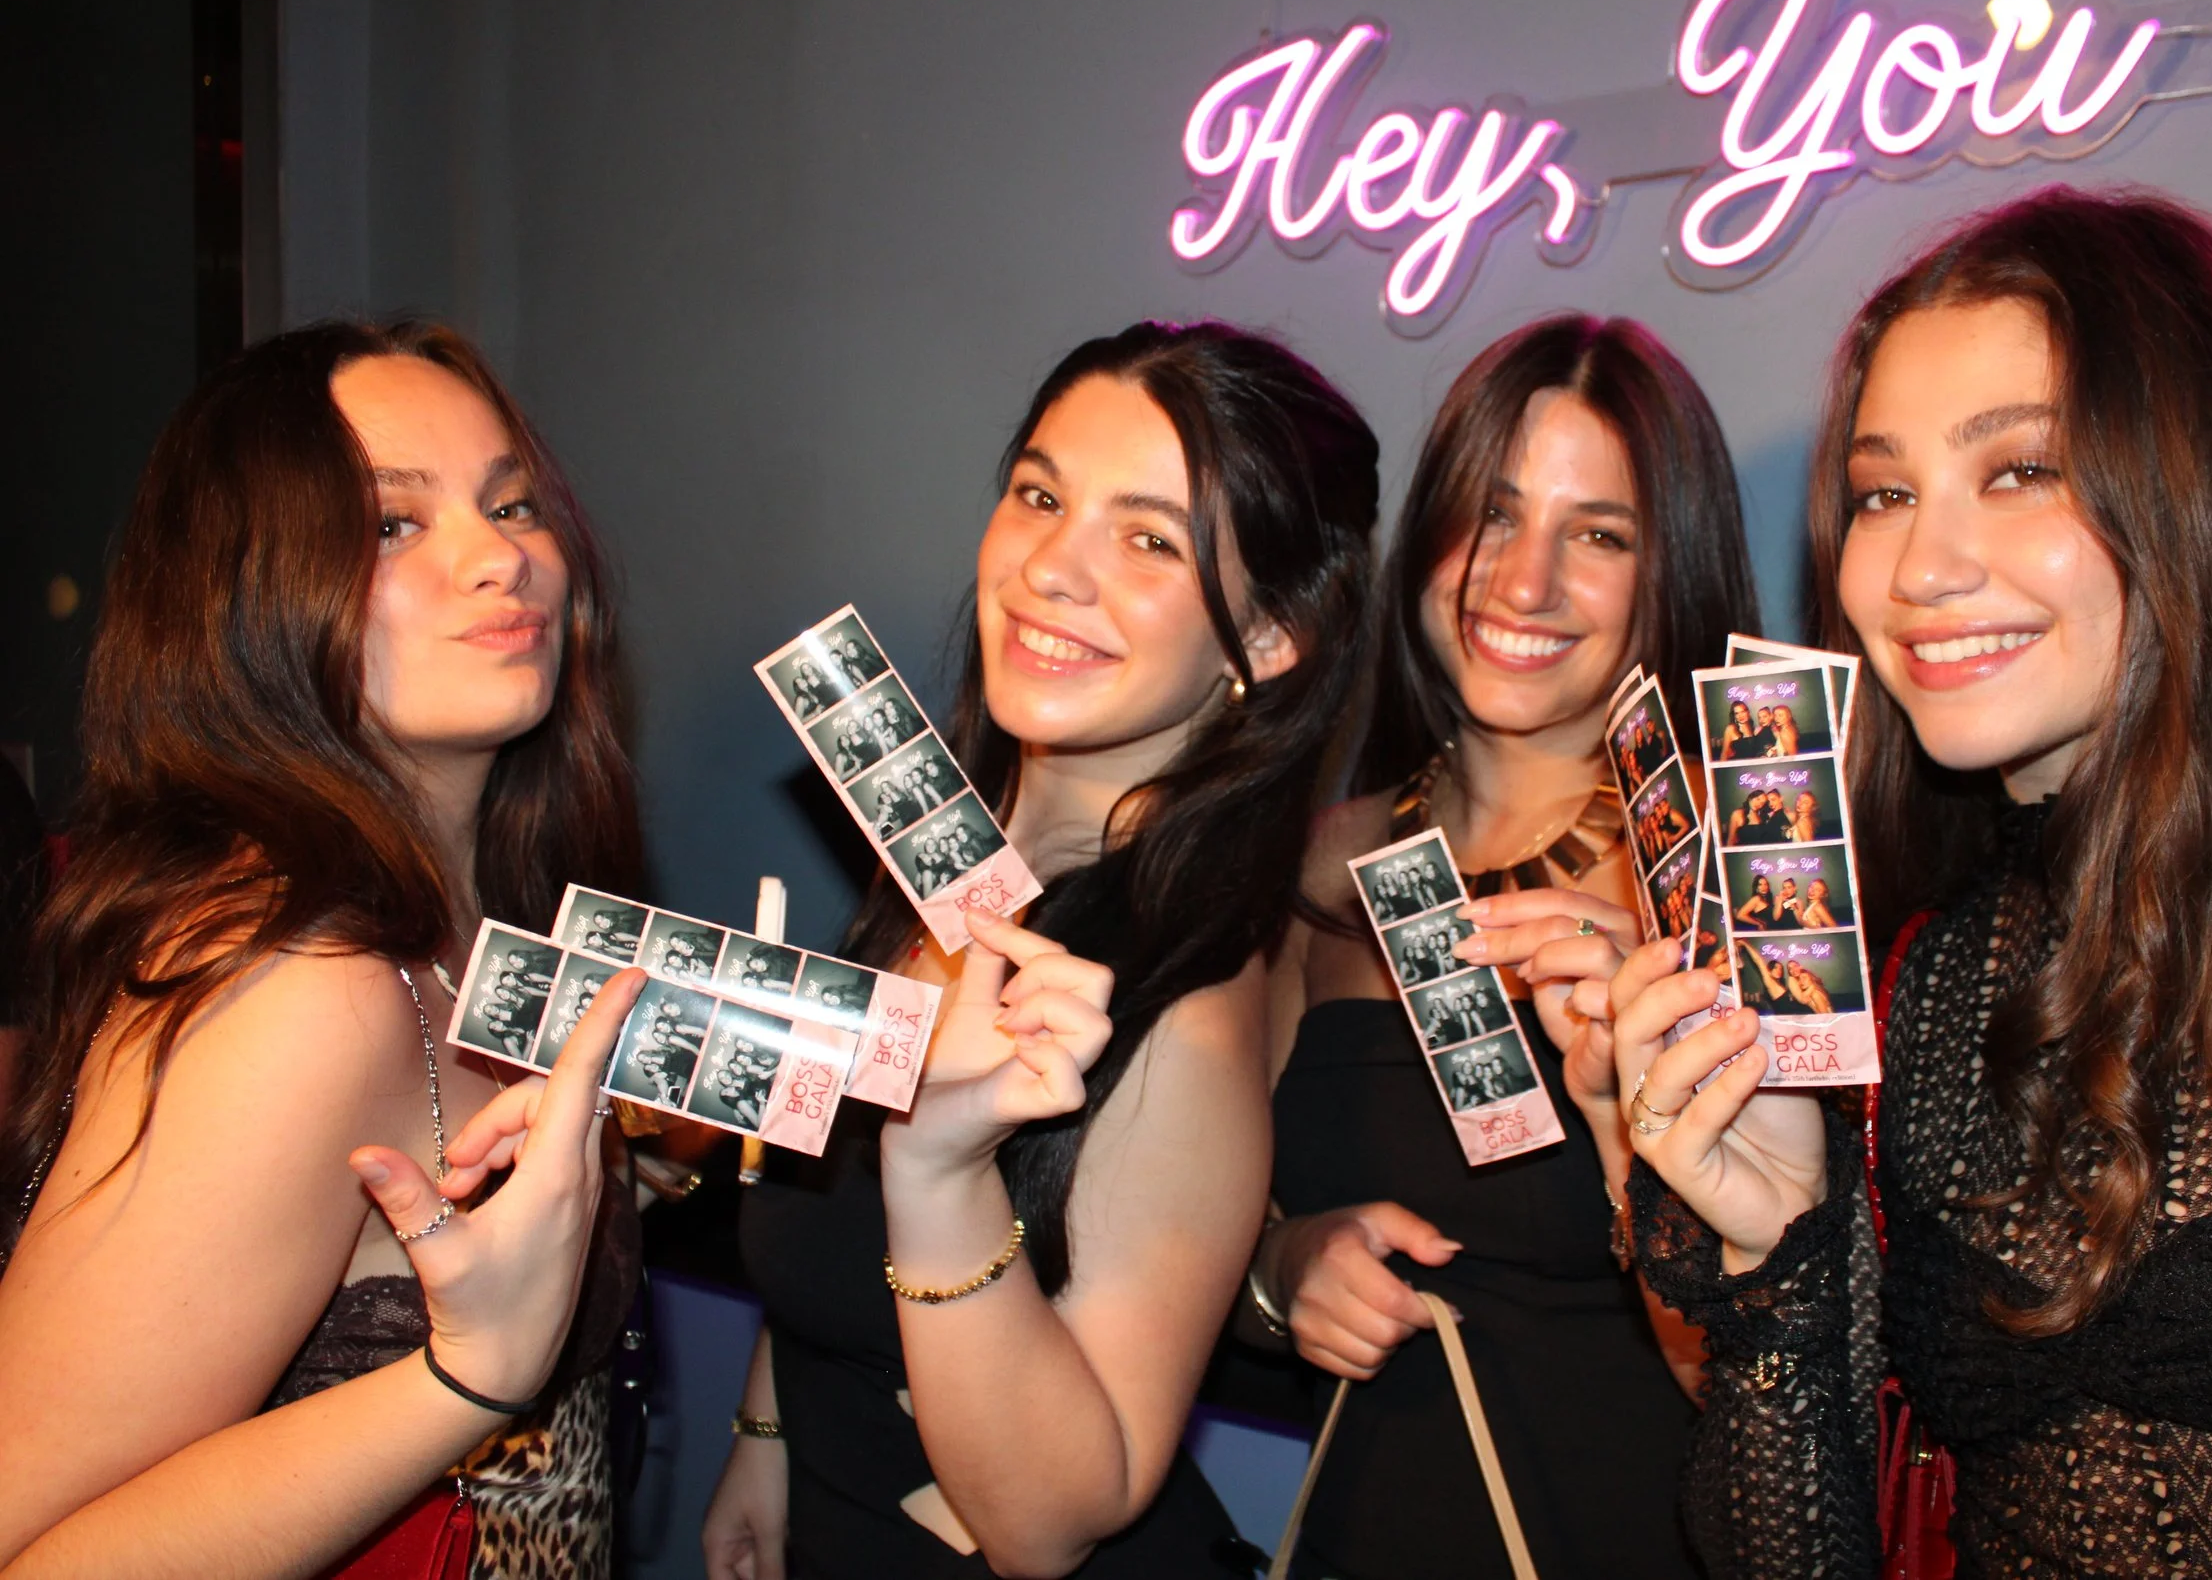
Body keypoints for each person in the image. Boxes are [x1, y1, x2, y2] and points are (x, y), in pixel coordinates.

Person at [1609, 187, 2212, 1574]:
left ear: (2205, 480)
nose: (1922, 567)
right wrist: (1773, 1241)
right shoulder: (1920, 981)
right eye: (1884, 493)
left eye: (2022, 468)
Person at [704, 321, 1379, 1579]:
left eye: (1150, 539)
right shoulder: (939, 864)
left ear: (1269, 636)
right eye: (1039, 494)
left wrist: (940, 1173)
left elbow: (1055, 1517)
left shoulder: (1181, 1007)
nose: (1051, 567)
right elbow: (838, 1226)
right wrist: (769, 1423)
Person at [0, 320, 650, 1575]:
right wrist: (468, 1377)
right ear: (247, 592)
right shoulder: (296, 985)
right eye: (393, 523)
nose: (500, 558)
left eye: (510, 503)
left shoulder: (480, 912)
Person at [1254, 313, 1759, 1579]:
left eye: (1599, 534)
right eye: (1491, 512)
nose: (1524, 582)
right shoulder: (1313, 868)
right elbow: (1191, 1231)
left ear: (1672, 570)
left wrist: (1629, 1121)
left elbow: (1774, 1405)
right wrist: (1281, 1264)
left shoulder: (1732, 890)